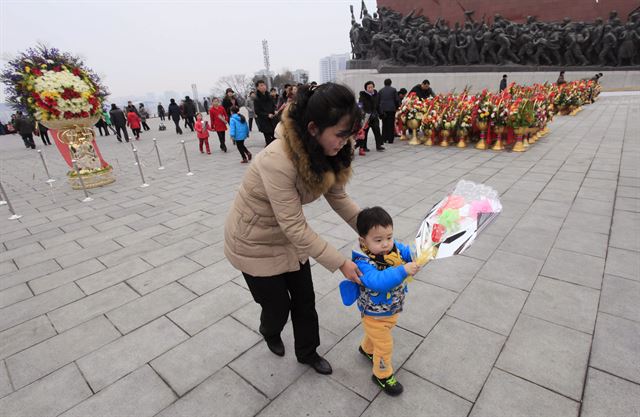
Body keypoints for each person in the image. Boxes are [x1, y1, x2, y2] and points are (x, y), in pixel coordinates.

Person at [224, 83, 363, 376]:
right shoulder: (278, 159)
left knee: (305, 300)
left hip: (289, 239)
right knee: (277, 308)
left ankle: (307, 352)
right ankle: (269, 330)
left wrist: (371, 230)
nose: (345, 141)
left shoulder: (331, 149)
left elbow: (338, 197)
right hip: (254, 241)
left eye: (349, 134)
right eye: (340, 134)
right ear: (313, 128)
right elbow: (294, 224)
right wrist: (341, 263)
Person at [339, 207, 421, 396]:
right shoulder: (363, 262)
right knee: (384, 345)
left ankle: (366, 349)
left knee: (379, 335)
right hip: (374, 315)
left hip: (391, 309)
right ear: (363, 241)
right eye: (378, 240)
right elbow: (378, 282)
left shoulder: (394, 248)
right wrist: (403, 270)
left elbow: (408, 253)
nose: (386, 244)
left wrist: (422, 252)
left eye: (389, 237)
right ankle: (382, 375)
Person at [358, 81, 384, 152]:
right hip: (367, 117)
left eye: (372, 87)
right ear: (366, 88)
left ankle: (379, 146)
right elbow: (360, 106)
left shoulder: (376, 95)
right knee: (365, 133)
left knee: (377, 131)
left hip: (374, 116)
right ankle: (364, 147)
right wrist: (362, 114)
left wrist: (381, 113)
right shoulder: (362, 96)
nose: (370, 89)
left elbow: (378, 105)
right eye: (369, 87)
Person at [254, 80, 277, 146]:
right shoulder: (257, 99)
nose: (263, 86)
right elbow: (257, 111)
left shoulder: (269, 96)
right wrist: (267, 115)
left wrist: (274, 110)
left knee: (276, 137)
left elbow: (273, 105)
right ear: (257, 88)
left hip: (272, 120)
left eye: (264, 85)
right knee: (268, 140)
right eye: (261, 85)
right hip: (264, 122)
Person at [377, 78, 399, 144]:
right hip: (391, 109)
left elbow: (378, 101)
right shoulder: (393, 90)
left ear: (384, 83)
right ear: (390, 83)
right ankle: (390, 139)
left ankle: (384, 138)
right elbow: (397, 99)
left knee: (384, 124)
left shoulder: (380, 91)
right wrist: (397, 107)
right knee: (391, 124)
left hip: (383, 109)